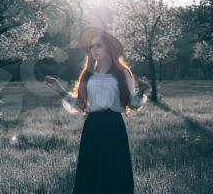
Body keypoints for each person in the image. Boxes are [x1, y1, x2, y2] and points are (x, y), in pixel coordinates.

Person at [44, 26, 149, 194]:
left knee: (114, 174)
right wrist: (59, 89)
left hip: (114, 126)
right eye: (92, 47)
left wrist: (142, 90)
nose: (94, 49)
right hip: (92, 127)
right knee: (91, 174)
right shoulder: (87, 74)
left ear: (108, 48)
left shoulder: (122, 73)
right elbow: (80, 105)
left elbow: (133, 103)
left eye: (98, 45)